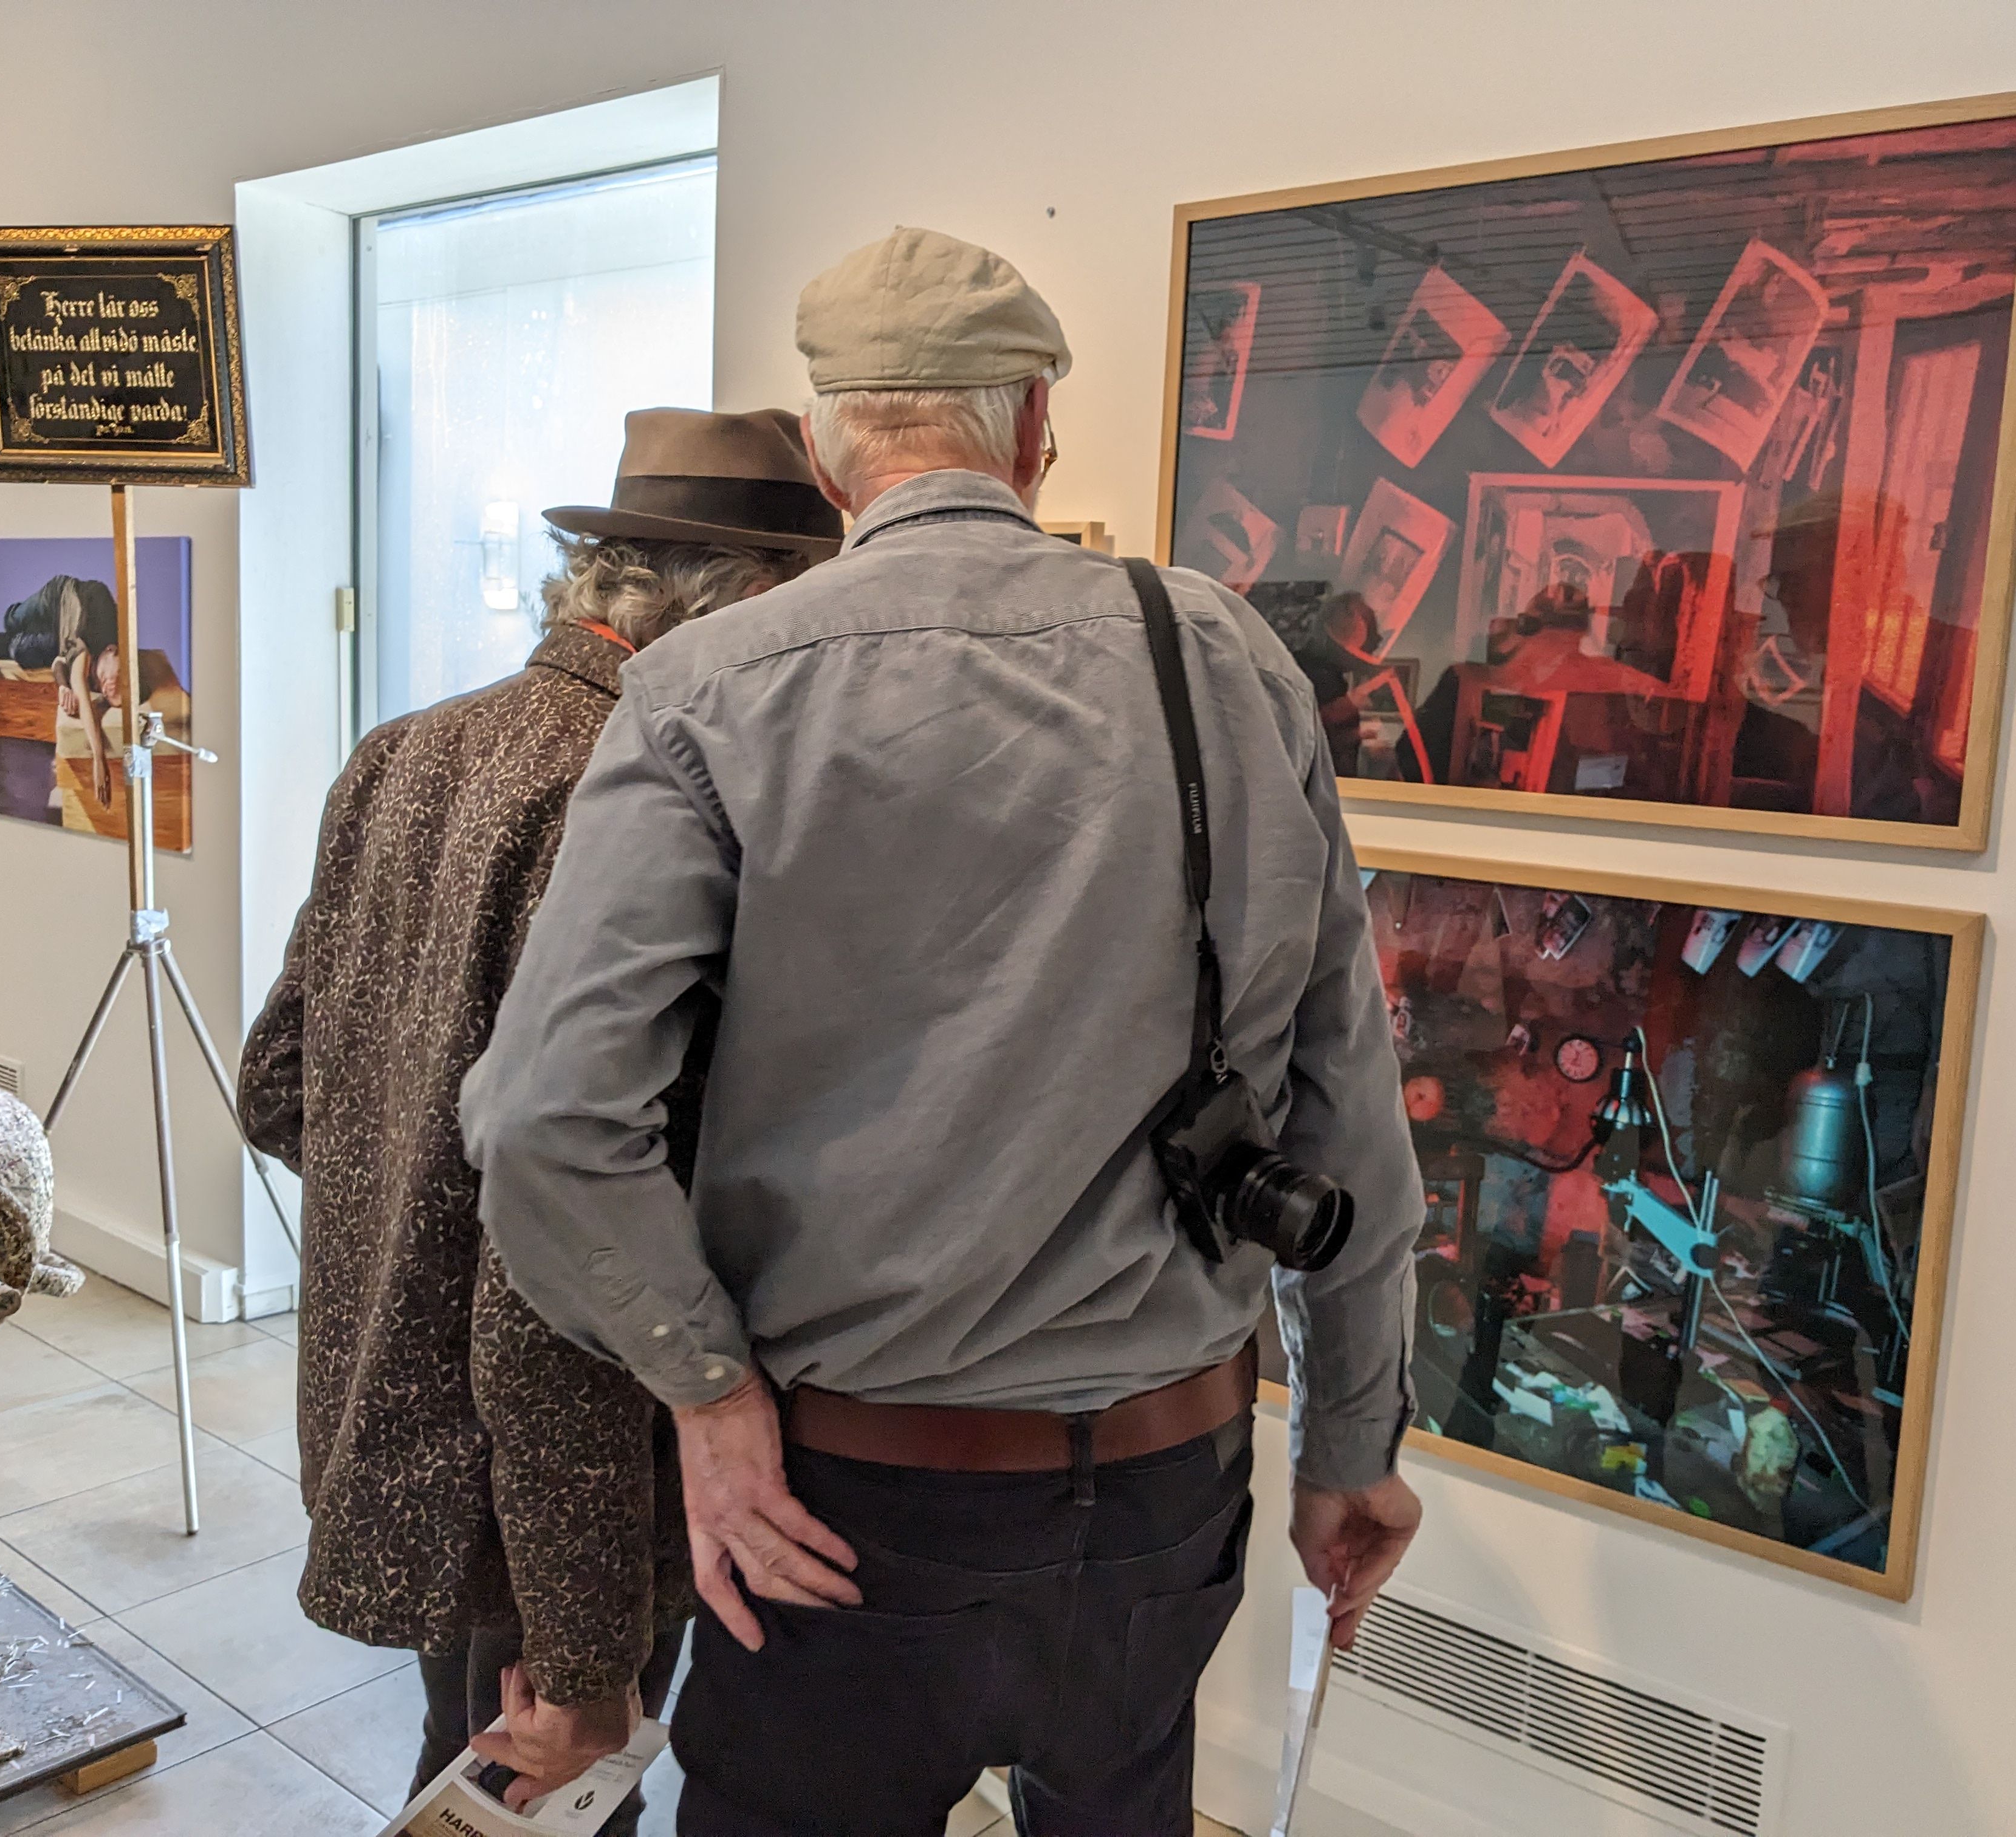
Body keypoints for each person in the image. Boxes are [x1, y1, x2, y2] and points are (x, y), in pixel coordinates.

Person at [464, 228, 1427, 1837]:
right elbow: (1352, 1111)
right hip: (1169, 1490)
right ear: (1037, 427)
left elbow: (549, 1118)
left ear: (834, 448)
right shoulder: (1232, 659)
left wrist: (706, 1399)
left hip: (845, 1509)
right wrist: (1351, 1447)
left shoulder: (710, 689)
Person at [238, 409, 842, 1815]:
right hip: (557, 1478)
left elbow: (281, 1082)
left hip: (406, 1426)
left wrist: (420, 1205)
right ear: (746, 603)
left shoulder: (406, 750)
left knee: (475, 1773)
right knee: (552, 1782)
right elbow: (558, 1253)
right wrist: (586, 1644)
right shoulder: (641, 796)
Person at [0, 573, 122, 807]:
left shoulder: (100, 658)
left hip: (60, 634)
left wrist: (63, 685)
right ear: (112, 651)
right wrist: (99, 759)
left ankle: (18, 644)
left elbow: (59, 662)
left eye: (107, 695)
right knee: (12, 621)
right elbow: (83, 696)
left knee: (18, 651)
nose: (104, 689)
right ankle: (15, 616)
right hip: (56, 597)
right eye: (110, 682)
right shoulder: (91, 635)